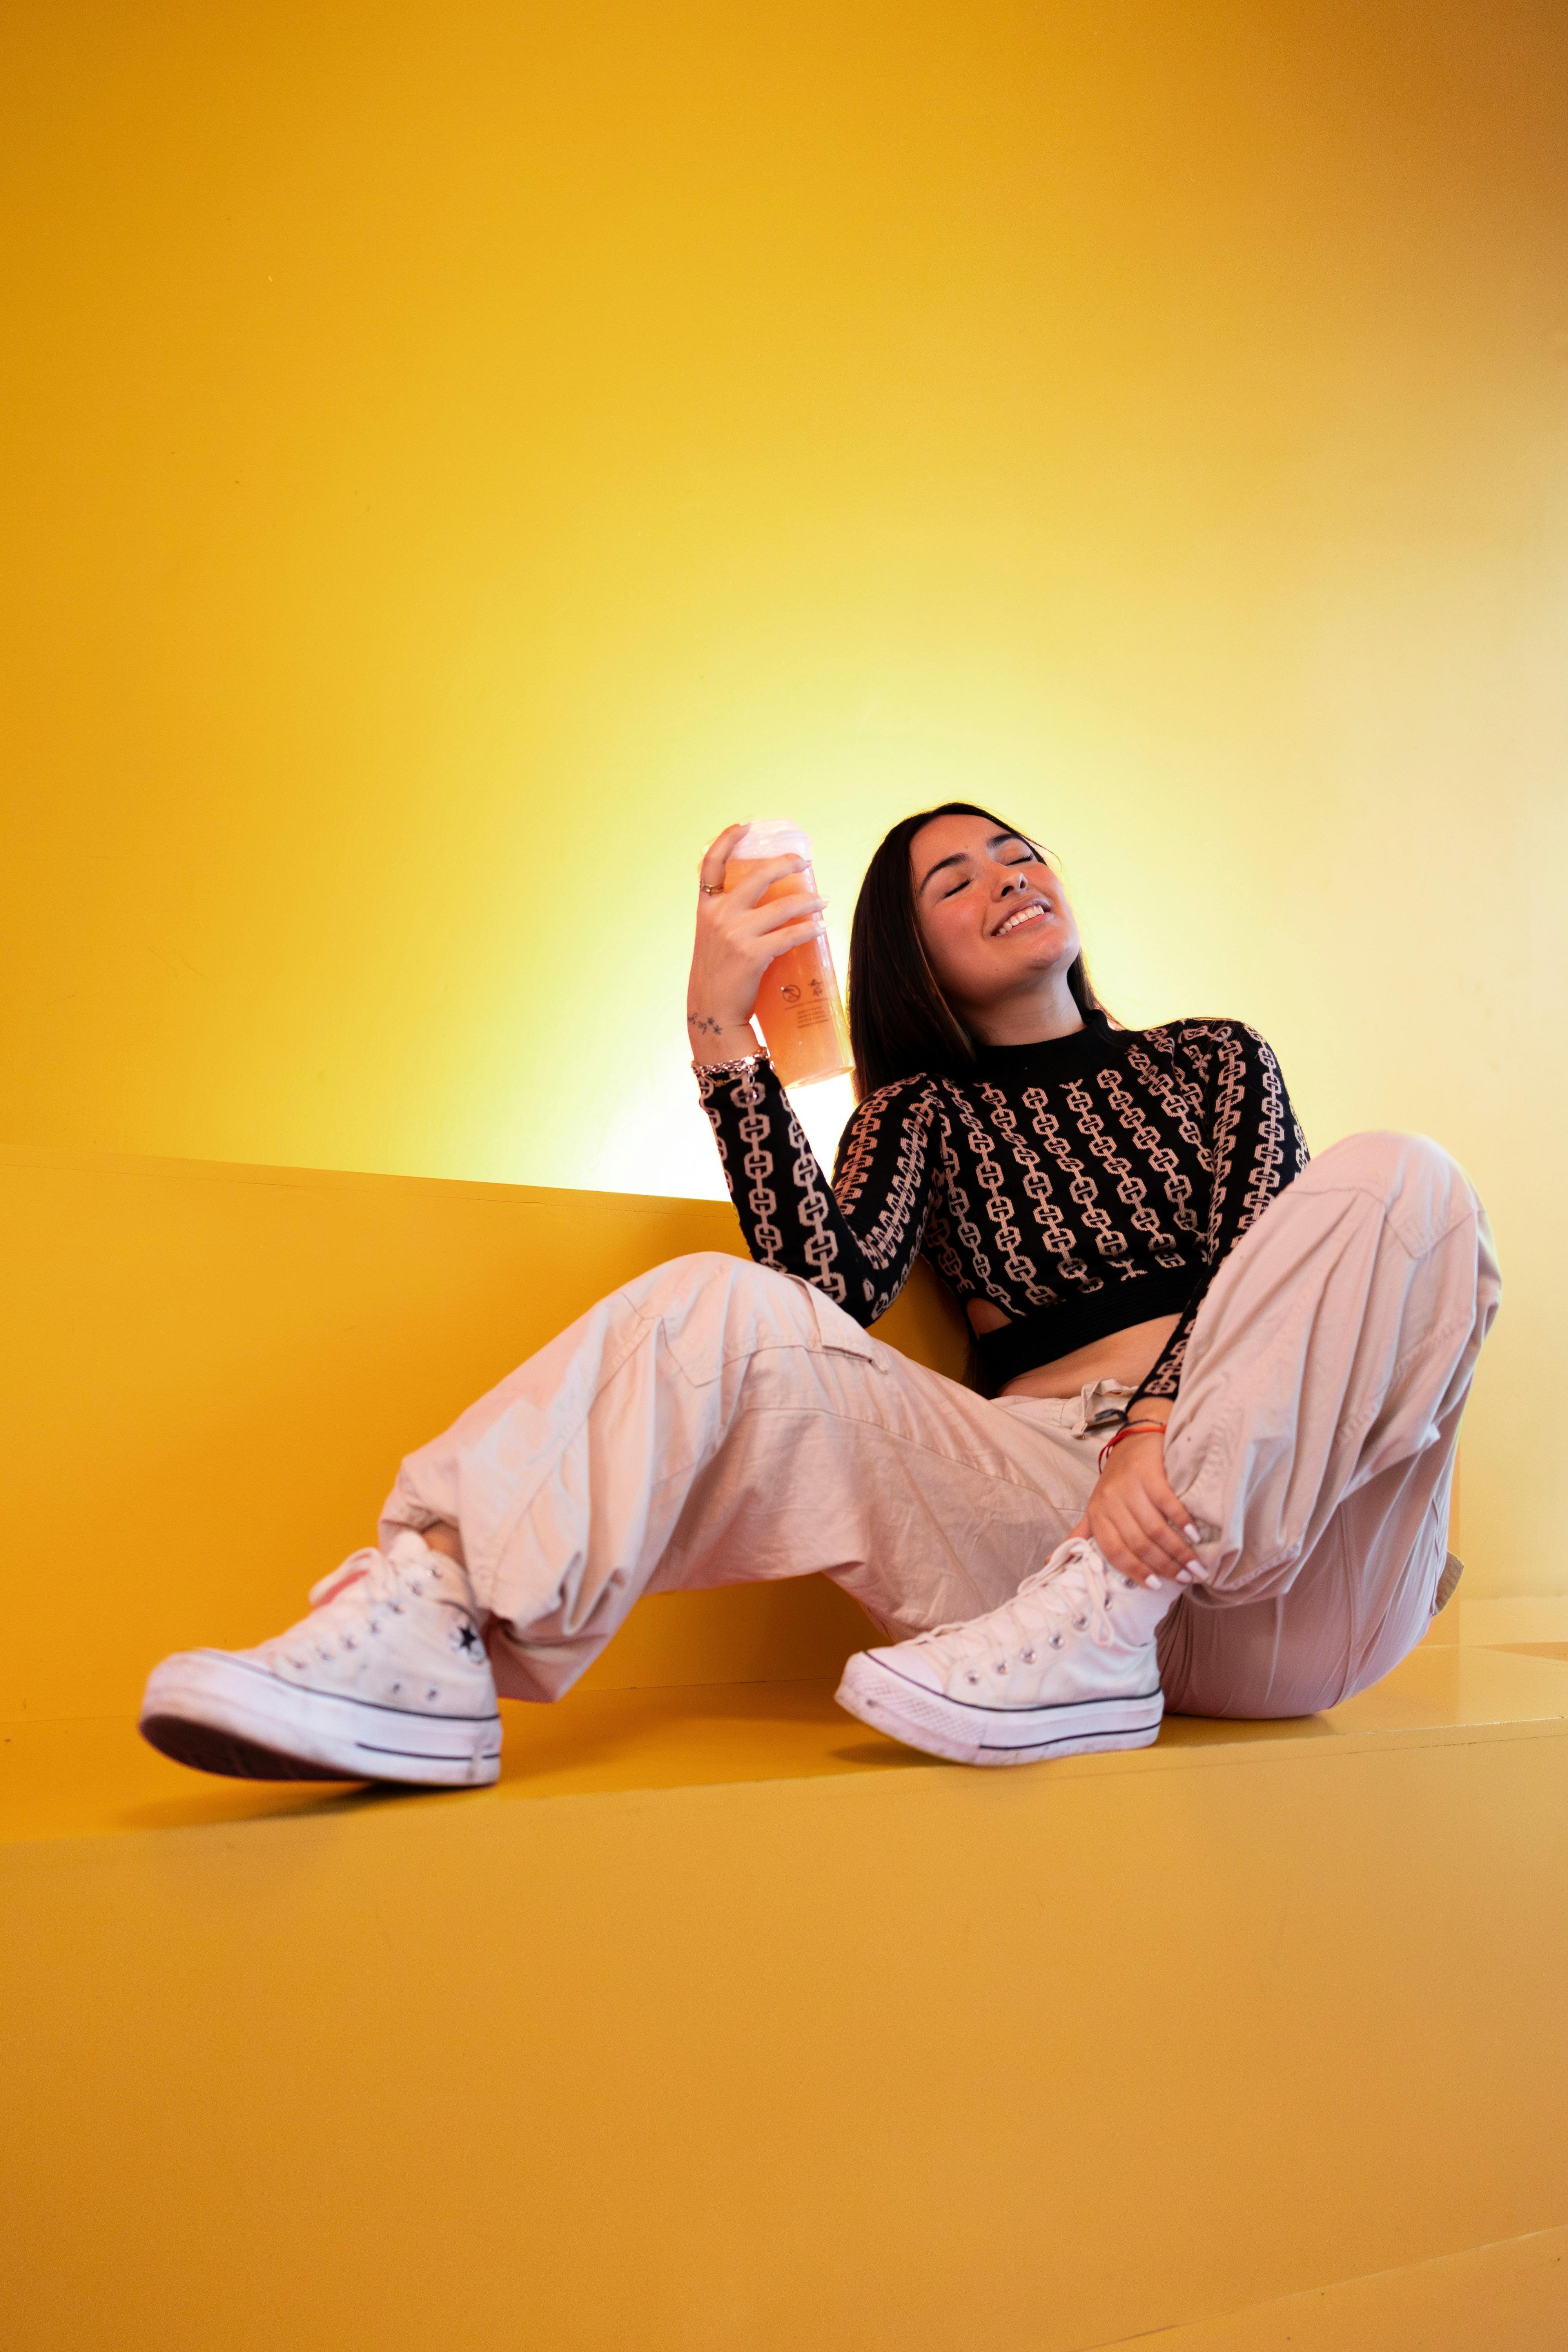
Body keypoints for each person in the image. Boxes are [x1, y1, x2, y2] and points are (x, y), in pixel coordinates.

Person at [140, 803, 1498, 1783]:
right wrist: (720, 1031)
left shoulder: (1216, 1061)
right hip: (1033, 1562)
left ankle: (1118, 1595)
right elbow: (819, 1295)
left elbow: (1270, 1259)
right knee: (719, 1304)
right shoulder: (917, 1111)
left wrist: (1155, 1426)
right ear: (910, 957)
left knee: (1403, 1177)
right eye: (953, 882)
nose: (1005, 878)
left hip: (1279, 1562)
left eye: (1016, 853)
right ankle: (432, 1616)